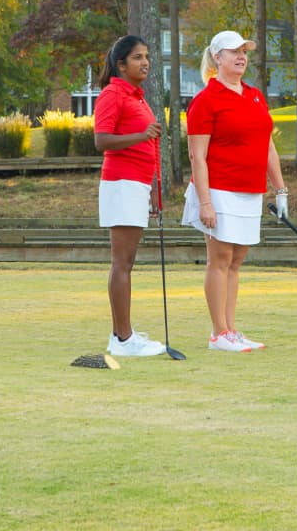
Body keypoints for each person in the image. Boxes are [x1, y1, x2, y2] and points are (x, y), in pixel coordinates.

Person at [182, 30, 289, 352]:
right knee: (220, 259)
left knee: (237, 261)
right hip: (218, 189)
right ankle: (219, 334)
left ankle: (231, 329)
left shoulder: (255, 95)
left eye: (244, 51)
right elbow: (196, 156)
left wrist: (280, 190)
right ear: (218, 58)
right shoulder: (206, 100)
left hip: (249, 190)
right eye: (233, 51)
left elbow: (267, 146)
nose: (241, 56)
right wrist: (205, 203)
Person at [94, 35, 166, 357]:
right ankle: (122, 339)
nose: (145, 62)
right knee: (121, 262)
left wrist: (151, 189)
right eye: (137, 57)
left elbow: (147, 148)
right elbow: (102, 140)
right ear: (121, 64)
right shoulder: (113, 94)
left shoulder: (137, 97)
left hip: (136, 185)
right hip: (121, 183)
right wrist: (142, 134)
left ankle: (123, 334)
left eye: (146, 56)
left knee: (128, 261)